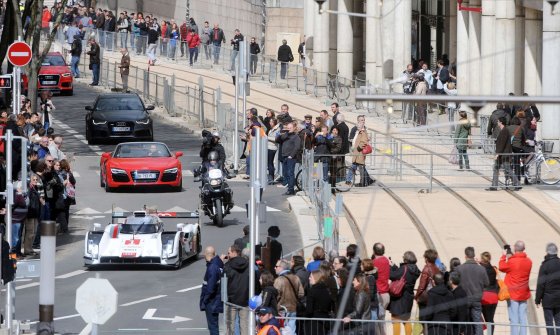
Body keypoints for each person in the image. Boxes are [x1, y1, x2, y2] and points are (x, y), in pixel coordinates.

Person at [499, 241, 532, 335]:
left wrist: (503, 256)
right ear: (524, 249)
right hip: (524, 293)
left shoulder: (512, 261)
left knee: (513, 318)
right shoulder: (529, 261)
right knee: (523, 317)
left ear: (515, 248)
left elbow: (501, 267)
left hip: (513, 293)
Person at [455, 246, 489, 335]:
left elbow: (454, 283)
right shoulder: (481, 269)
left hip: (464, 299)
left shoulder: (459, 268)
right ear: (474, 255)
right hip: (477, 299)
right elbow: (487, 283)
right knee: (478, 322)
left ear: (465, 256)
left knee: (464, 321)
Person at [389, 251, 421, 335]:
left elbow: (393, 275)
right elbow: (402, 274)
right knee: (406, 320)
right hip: (408, 297)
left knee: (395, 319)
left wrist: (390, 267)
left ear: (406, 259)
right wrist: (395, 266)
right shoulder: (416, 269)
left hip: (399, 297)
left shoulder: (404, 268)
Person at [221, 244, 250, 335]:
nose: (228, 254)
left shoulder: (228, 265)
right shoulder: (248, 264)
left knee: (230, 325)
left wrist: (222, 263)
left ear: (234, 252)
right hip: (245, 299)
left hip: (231, 300)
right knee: (244, 325)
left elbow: (223, 281)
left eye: (229, 252)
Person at [486, 117, 520, 191]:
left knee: (507, 169)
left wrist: (497, 154)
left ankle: (517, 184)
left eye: (498, 121)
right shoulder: (504, 130)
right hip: (502, 154)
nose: (497, 123)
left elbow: (502, 144)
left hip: (503, 154)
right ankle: (494, 186)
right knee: (496, 168)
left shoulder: (504, 131)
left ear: (501, 122)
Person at [535, 242, 560, 335]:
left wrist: (537, 299)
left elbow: (540, 284)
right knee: (559, 323)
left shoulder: (544, 265)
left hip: (547, 299)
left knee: (549, 323)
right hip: (559, 299)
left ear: (547, 252)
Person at [274, 259, 304, 334]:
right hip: (293, 308)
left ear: (281, 267)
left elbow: (275, 295)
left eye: (276, 266)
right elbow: (301, 293)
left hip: (282, 310)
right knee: (291, 331)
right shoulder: (296, 278)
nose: (274, 268)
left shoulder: (279, 280)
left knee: (282, 331)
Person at [415, 249, 441, 333]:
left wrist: (416, 296)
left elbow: (422, 286)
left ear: (426, 258)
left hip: (425, 299)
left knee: (423, 320)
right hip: (435, 297)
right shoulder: (437, 268)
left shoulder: (426, 268)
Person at [200, 246, 223, 335]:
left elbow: (210, 287)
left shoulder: (212, 267)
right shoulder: (217, 264)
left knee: (213, 326)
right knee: (214, 325)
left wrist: (205, 300)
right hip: (215, 300)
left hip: (211, 302)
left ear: (206, 254)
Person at [304, 270, 334, 335]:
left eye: (311, 277)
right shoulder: (327, 290)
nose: (309, 278)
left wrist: (304, 316)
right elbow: (330, 306)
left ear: (316, 278)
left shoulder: (312, 291)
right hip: (325, 320)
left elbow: (309, 310)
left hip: (314, 322)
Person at [277, 121, 301, 195]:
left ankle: (291, 190)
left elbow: (297, 147)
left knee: (290, 173)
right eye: (287, 128)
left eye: (290, 128)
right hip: (284, 156)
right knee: (285, 173)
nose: (288, 129)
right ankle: (288, 187)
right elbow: (277, 140)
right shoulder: (285, 135)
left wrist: (291, 155)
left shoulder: (296, 136)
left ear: (294, 128)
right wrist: (281, 134)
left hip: (291, 157)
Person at [373, 242, 391, 335]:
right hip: (386, 294)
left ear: (374, 251)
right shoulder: (386, 260)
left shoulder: (375, 262)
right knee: (382, 319)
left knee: (375, 319)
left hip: (378, 294)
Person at [480, 251, 499, 335]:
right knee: (490, 319)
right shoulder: (493, 269)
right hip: (494, 296)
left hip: (485, 296)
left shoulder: (481, 269)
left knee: (484, 318)